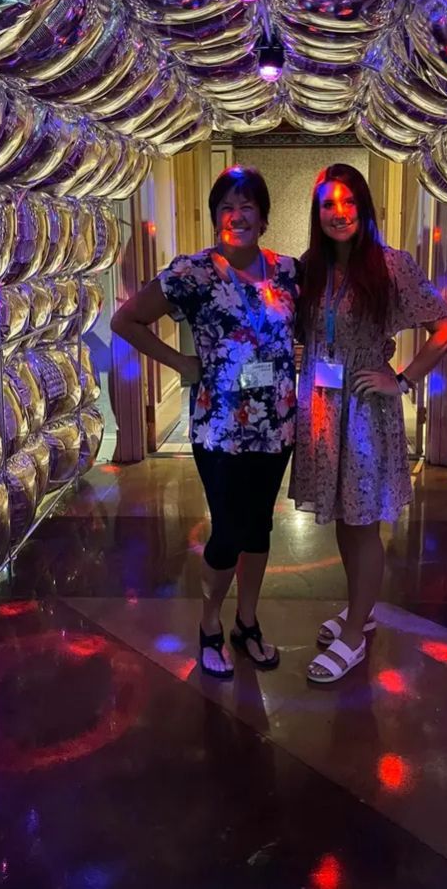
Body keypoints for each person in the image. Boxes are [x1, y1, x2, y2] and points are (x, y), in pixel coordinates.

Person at [111, 166, 299, 680]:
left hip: (278, 425)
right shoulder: (191, 273)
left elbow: (323, 323)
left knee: (259, 527)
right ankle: (210, 624)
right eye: (227, 207)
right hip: (220, 427)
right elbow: (125, 319)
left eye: (247, 206)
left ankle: (247, 621)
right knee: (228, 531)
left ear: (263, 216)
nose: (237, 216)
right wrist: (181, 364)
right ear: (217, 217)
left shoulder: (288, 271)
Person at [290, 163, 447, 684]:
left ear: (363, 208)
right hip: (320, 408)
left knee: (364, 524)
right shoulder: (309, 269)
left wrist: (402, 380)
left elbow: (445, 328)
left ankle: (355, 634)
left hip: (365, 411)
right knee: (345, 517)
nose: (338, 213)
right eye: (327, 204)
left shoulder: (391, 265)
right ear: (316, 214)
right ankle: (356, 612)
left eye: (348, 202)